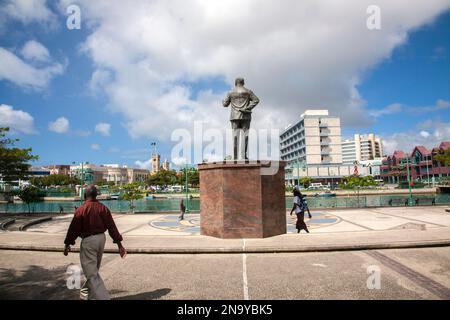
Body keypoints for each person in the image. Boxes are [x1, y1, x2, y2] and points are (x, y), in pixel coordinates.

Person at [63, 185, 126, 300]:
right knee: (93, 271)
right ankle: (85, 295)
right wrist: (120, 245)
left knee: (92, 274)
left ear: (85, 195)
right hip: (101, 239)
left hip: (89, 241)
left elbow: (73, 229)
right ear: (96, 195)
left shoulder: (81, 210)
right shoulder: (103, 208)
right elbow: (112, 227)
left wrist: (67, 244)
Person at [222, 77, 260, 160]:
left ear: (235, 83)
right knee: (245, 135)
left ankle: (235, 157)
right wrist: (248, 108)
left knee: (235, 136)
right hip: (246, 116)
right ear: (243, 83)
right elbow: (256, 100)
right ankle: (243, 156)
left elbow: (225, 104)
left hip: (234, 116)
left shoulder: (230, 92)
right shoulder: (248, 91)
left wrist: (223, 101)